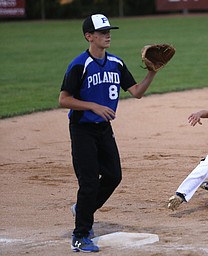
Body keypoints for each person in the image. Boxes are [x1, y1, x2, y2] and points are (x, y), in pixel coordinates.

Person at [59, 14, 158, 253]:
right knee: (89, 182)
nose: (107, 35)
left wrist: (152, 73)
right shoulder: (79, 65)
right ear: (89, 36)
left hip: (104, 130)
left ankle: (83, 208)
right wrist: (92, 105)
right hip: (82, 130)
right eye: (102, 32)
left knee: (113, 176)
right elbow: (63, 100)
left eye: (108, 31)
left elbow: (136, 92)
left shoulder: (116, 63)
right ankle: (80, 235)